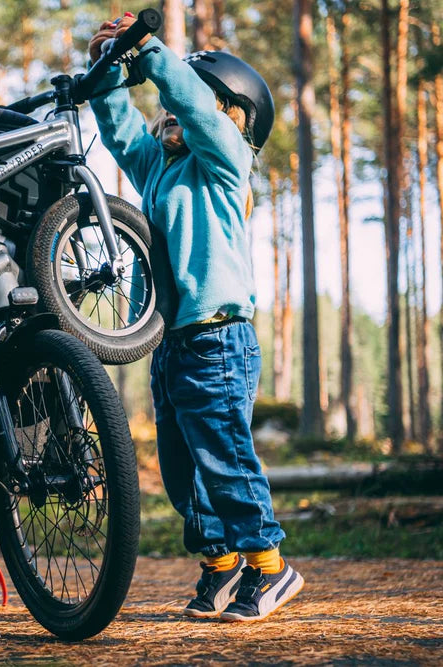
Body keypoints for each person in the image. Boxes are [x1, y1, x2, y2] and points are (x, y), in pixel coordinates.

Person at [86, 14, 303, 622]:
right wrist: (106, 66)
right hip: (171, 342)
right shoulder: (159, 167)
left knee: (225, 457)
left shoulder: (226, 163)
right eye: (173, 109)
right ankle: (220, 562)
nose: (176, 115)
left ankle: (270, 565)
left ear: (231, 115)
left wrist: (153, 53)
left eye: (195, 104)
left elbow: (196, 111)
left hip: (218, 338)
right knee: (185, 471)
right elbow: (122, 130)